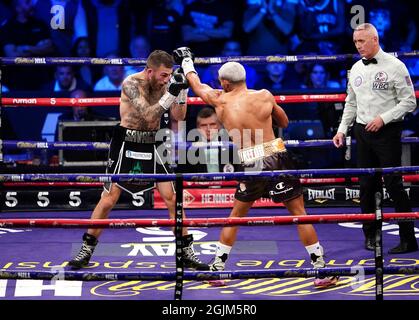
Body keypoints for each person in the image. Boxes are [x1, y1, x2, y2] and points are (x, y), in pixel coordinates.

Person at [173, 47, 338, 288]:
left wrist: (187, 61)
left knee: (236, 217)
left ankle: (217, 269)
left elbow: (196, 85)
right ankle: (320, 269)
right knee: (299, 214)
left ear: (225, 83)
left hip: (249, 159)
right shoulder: (264, 95)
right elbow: (284, 121)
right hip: (275, 152)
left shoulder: (220, 100)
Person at [69, 50, 209, 270]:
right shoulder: (131, 83)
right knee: (108, 198)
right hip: (127, 141)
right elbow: (149, 115)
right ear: (150, 71)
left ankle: (186, 252)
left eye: (169, 75)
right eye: (163, 75)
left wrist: (181, 91)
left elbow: (179, 117)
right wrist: (170, 92)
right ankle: (86, 251)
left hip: (156, 142)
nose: (166, 79)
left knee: (172, 198)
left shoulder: (167, 84)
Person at [332, 23, 418, 254]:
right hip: (362, 132)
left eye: (361, 41)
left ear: (375, 40)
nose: (358, 46)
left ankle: (408, 239)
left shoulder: (396, 66)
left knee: (394, 184)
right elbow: (351, 102)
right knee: (366, 185)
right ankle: (371, 236)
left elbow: (410, 101)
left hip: (387, 132)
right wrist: (342, 129)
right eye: (355, 42)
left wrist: (384, 118)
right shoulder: (356, 68)